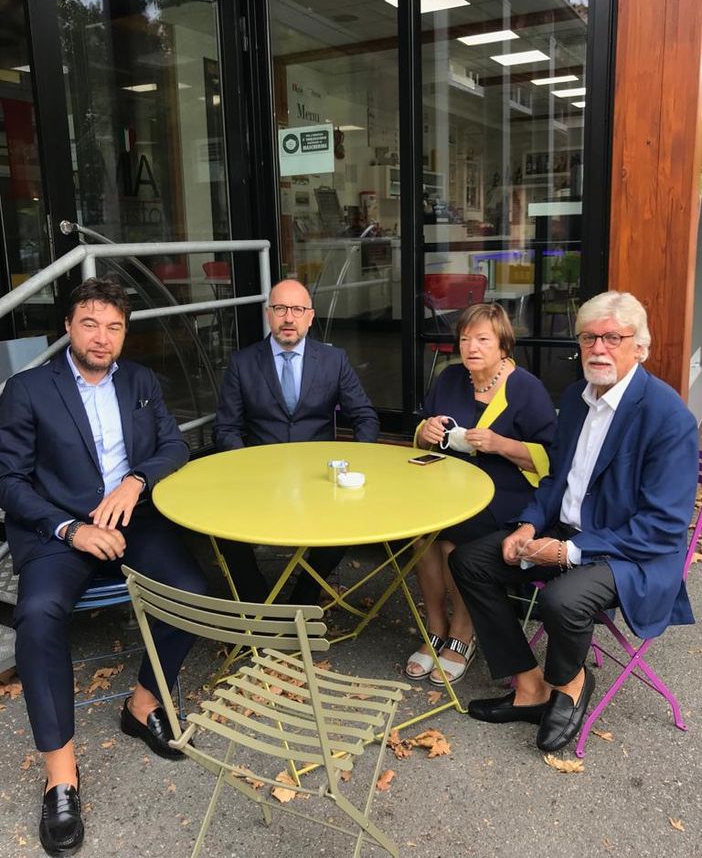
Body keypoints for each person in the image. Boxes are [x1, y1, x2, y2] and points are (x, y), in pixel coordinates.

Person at [0, 278, 207, 857]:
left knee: (192, 592)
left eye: (114, 327)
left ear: (124, 333)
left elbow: (174, 447)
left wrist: (136, 481)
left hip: (132, 520)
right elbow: (8, 480)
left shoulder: (140, 381)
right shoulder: (27, 388)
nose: (102, 337)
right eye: (90, 323)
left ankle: (142, 705)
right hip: (59, 531)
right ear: (68, 326)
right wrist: (71, 528)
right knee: (38, 615)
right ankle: (61, 777)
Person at [449, 291, 698, 753]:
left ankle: (570, 684)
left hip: (631, 554)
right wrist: (527, 526)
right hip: (566, 531)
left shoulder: (668, 418)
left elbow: (662, 528)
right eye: (588, 338)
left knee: (562, 599)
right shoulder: (576, 398)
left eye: (612, 338)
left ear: (640, 347)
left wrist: (569, 552)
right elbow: (555, 480)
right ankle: (529, 685)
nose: (598, 348)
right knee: (470, 560)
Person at [406, 303, 556, 685]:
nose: (471, 347)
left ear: (503, 345)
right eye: (465, 339)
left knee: (454, 539)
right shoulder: (450, 377)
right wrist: (425, 431)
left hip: (507, 490)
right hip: (450, 484)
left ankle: (462, 634)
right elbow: (424, 426)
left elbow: (551, 458)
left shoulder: (526, 389)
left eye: (483, 339)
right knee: (421, 536)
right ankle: (435, 628)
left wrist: (501, 444)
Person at [213, 278, 379, 603]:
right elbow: (225, 428)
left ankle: (302, 600)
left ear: (310, 316)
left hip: (320, 478)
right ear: (268, 314)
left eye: (298, 309)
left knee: (345, 526)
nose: (288, 318)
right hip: (259, 478)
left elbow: (365, 416)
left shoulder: (333, 360)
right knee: (221, 529)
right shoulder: (243, 363)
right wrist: (246, 465)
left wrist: (352, 465)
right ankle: (259, 604)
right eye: (280, 309)